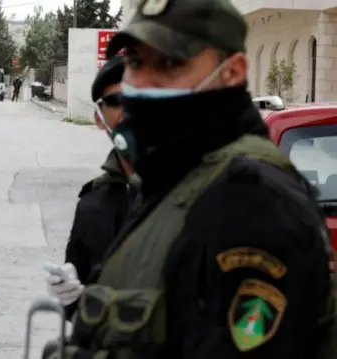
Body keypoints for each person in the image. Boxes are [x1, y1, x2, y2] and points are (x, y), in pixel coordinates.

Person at [42, 0, 336, 358]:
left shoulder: (252, 202)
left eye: (170, 63)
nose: (142, 83)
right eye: (135, 62)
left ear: (232, 72)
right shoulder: (176, 179)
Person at [46, 56, 139, 321]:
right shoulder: (92, 205)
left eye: (138, 98)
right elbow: (79, 305)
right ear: (99, 119)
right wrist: (71, 296)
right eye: (115, 101)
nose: (129, 111)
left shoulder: (195, 189)